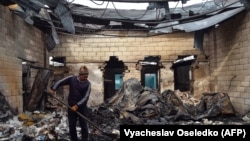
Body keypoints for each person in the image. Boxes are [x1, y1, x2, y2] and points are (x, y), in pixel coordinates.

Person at [49, 65, 91, 141]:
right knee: (72, 125)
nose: (86, 78)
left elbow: (86, 97)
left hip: (82, 107)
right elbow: (60, 81)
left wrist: (77, 106)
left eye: (87, 75)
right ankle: (74, 139)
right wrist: (53, 88)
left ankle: (85, 139)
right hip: (71, 106)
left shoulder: (88, 84)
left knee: (84, 125)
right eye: (85, 76)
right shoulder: (72, 79)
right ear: (80, 75)